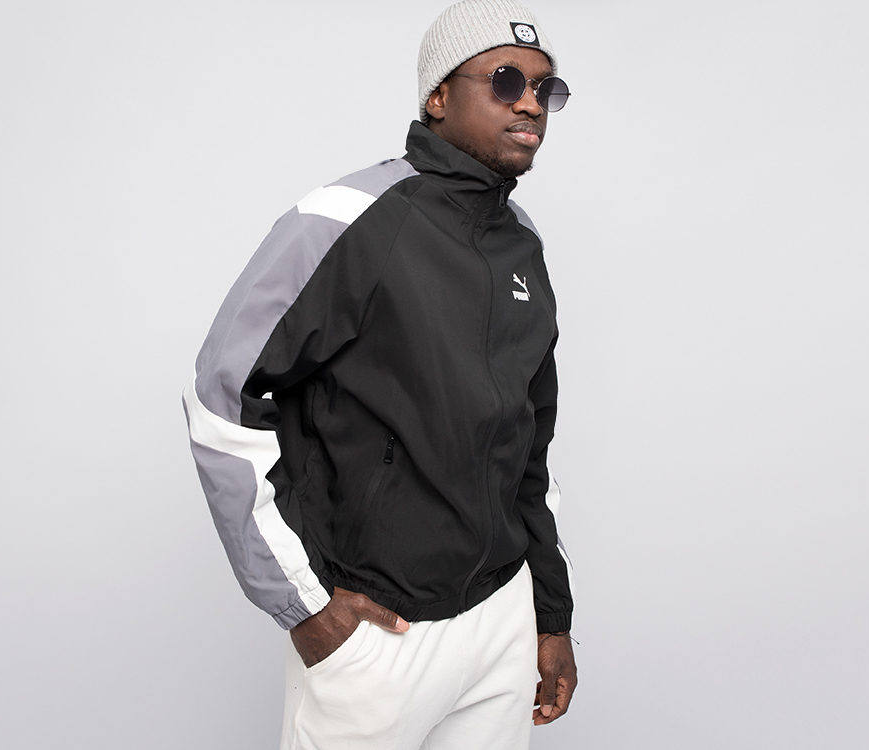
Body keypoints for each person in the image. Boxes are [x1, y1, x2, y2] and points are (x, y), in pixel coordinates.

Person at [182, 1, 577, 747]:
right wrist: (304, 604)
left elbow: (530, 444)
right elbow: (222, 398)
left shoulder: (521, 241)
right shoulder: (348, 218)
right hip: (382, 633)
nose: (530, 102)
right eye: (505, 80)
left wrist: (550, 615)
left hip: (502, 616)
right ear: (439, 95)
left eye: (545, 88)